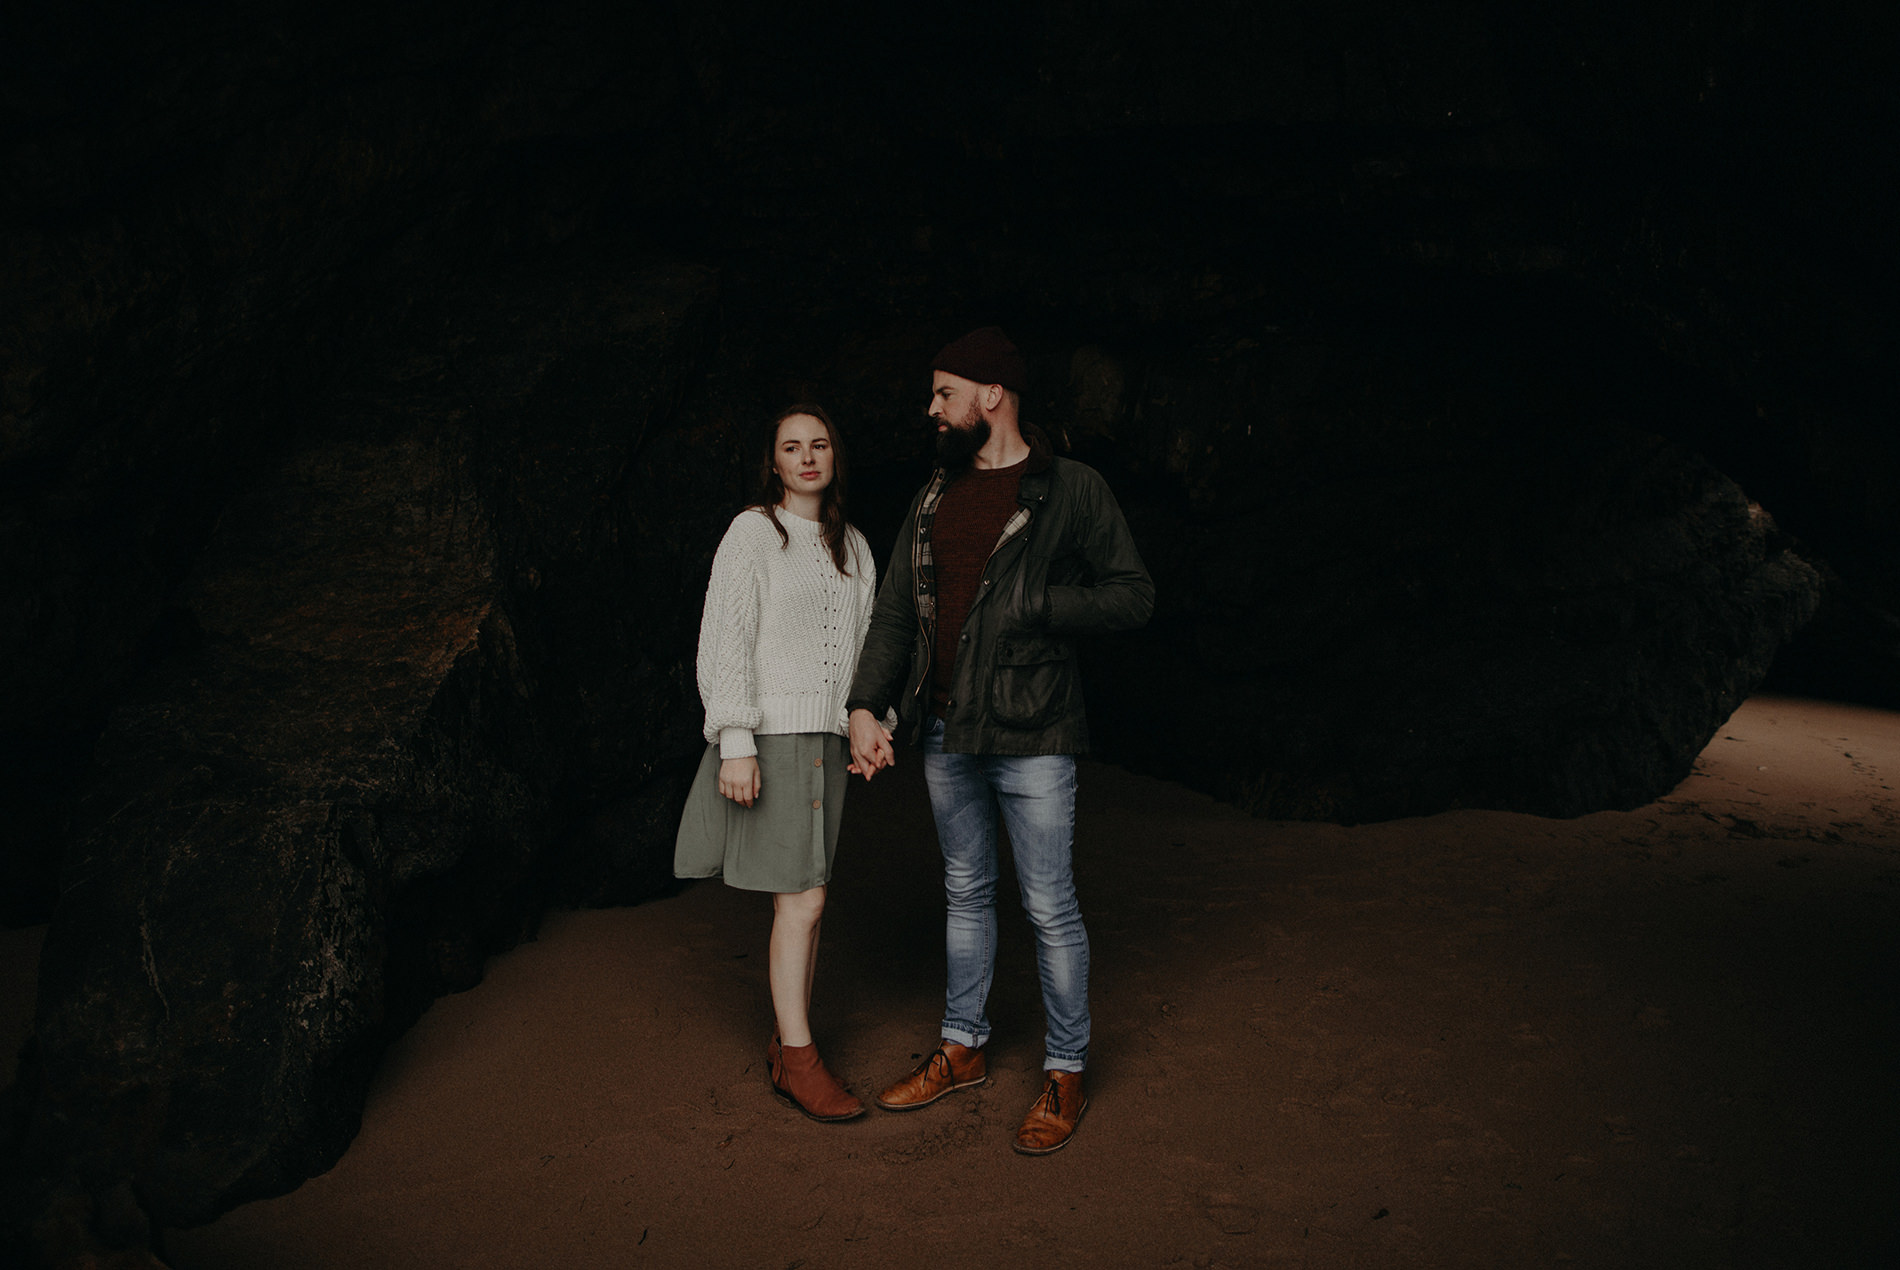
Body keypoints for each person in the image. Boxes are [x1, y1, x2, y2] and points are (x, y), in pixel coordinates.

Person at [845, 326, 1154, 1154]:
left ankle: (1064, 1070)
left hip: (1036, 734)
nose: (932, 410)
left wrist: (1043, 604)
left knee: (1050, 906)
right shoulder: (934, 496)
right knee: (966, 891)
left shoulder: (1071, 490)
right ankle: (964, 1046)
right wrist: (865, 705)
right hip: (947, 732)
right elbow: (896, 617)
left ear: (992, 394)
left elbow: (1133, 596)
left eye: (945, 393)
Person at [674, 405, 879, 1122]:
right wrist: (736, 737)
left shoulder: (853, 545)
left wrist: (871, 726)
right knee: (805, 900)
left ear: (835, 456)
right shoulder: (753, 533)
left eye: (820, 444)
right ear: (775, 462)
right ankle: (798, 1059)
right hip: (774, 739)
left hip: (827, 742)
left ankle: (787, 1042)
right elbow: (725, 636)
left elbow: (863, 653)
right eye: (792, 447)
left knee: (811, 897)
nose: (808, 457)